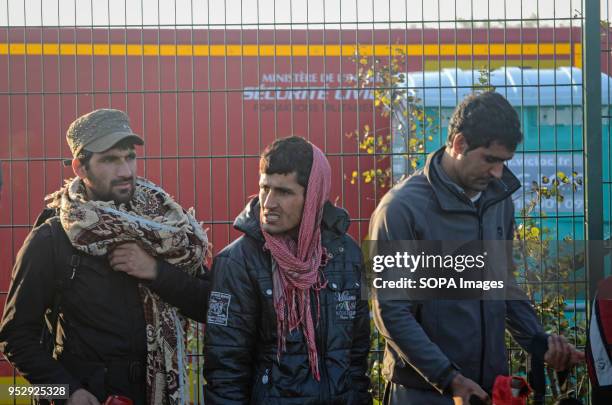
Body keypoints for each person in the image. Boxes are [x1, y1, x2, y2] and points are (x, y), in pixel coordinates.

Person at [369, 92, 584, 405]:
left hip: (485, 392)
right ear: (459, 144)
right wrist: (449, 378)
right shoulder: (401, 210)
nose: (498, 173)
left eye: (504, 162)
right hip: (423, 393)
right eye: (490, 159)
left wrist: (539, 340)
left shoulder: (498, 203)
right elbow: (390, 311)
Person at [0, 109, 210, 405]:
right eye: (110, 159)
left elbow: (211, 308)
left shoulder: (164, 229)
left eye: (129, 157)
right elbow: (15, 337)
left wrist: (155, 272)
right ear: (80, 167)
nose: (125, 170)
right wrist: (66, 392)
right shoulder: (52, 239)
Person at [203, 136, 371, 404]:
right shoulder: (238, 262)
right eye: (264, 188)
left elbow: (357, 356)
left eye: (284, 192)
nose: (269, 203)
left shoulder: (346, 255)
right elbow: (225, 371)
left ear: (313, 195)